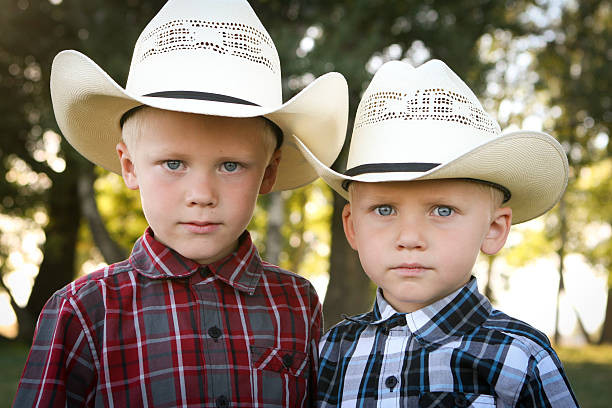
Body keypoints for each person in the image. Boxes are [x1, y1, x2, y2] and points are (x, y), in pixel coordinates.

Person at [13, 0, 348, 406]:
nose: (202, 194)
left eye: (231, 165)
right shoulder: (82, 312)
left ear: (270, 172)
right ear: (130, 166)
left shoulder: (297, 301)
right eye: (173, 163)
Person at [294, 59, 579, 407]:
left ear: (493, 229)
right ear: (353, 227)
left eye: (442, 210)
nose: (410, 237)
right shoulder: (330, 353)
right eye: (384, 210)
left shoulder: (519, 358)